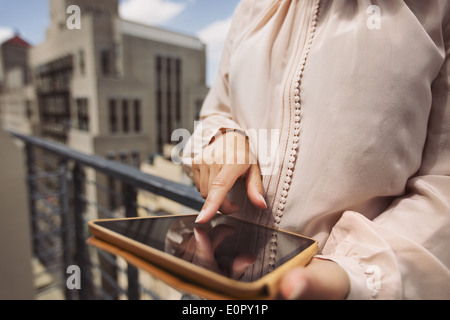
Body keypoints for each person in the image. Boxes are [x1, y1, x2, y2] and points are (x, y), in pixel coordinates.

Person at [182, 0, 450, 299]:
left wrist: (353, 273)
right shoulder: (250, 6)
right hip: (216, 283)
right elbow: (214, 112)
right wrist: (223, 136)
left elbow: (444, 182)